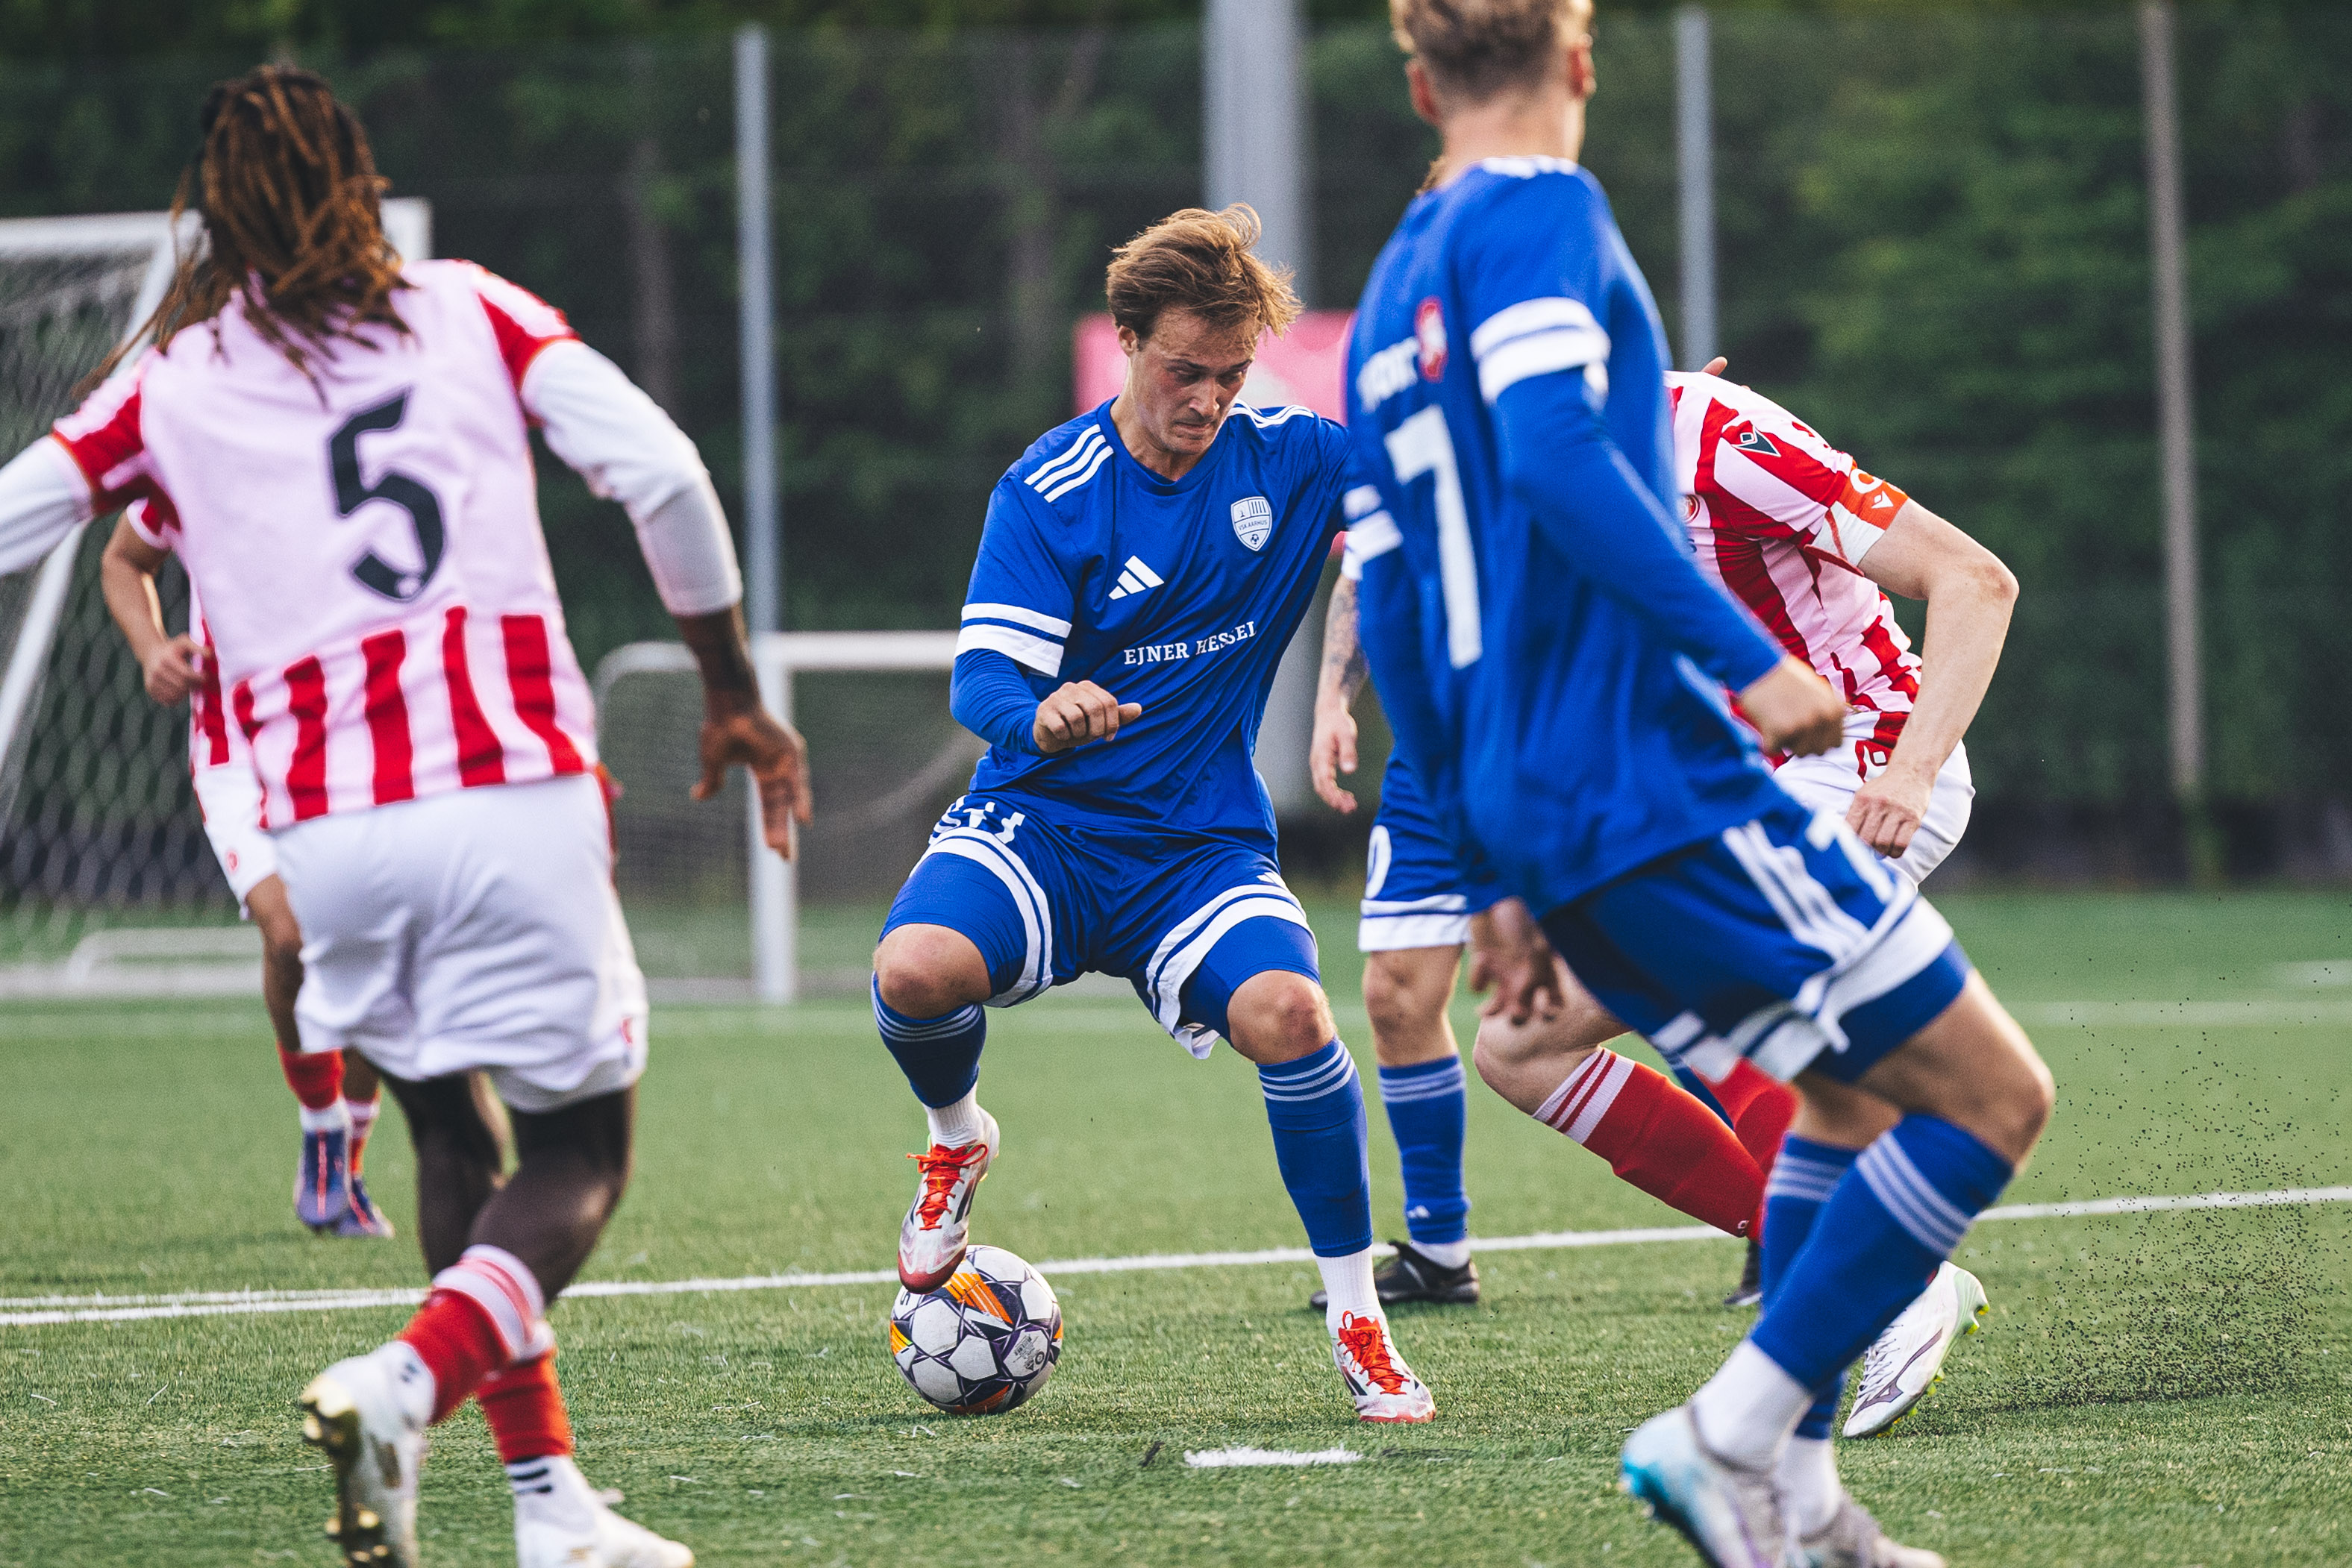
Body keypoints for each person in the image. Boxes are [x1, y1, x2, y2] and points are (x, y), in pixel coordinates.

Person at [0, 66, 810, 1568]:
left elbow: (20, 512)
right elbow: (664, 473)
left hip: (328, 836)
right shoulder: (468, 310)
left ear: (213, 219)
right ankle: (408, 1381)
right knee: (578, 1155)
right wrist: (730, 690)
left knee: (446, 1126)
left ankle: (550, 1507)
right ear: (358, 183)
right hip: (509, 790)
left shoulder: (169, 380)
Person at [1346, 5, 2053, 1566]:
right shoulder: (1545, 209)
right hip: (1661, 777)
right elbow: (1555, 450)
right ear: (1581, 62)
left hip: (1537, 798)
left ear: (1416, 85)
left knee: (1833, 1095)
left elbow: (1393, 601)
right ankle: (1731, 1431)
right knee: (1991, 1099)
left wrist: (1480, 860)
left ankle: (1792, 1494)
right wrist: (1745, 658)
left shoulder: (1394, 293)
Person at [1316, 367, 2020, 1440]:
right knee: (1518, 1045)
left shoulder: (1722, 439)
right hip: (1717, 800)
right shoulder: (1512, 486)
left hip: (1854, 764)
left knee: (1701, 974)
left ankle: (1892, 1283)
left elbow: (1975, 579)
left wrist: (1914, 768)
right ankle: (1834, 1266)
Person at [870, 204, 1433, 1424]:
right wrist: (1041, 715)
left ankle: (1359, 1318)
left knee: (1293, 1013)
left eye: (1232, 373)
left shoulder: (1293, 458)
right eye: (1186, 370)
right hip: (1047, 826)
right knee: (913, 971)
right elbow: (981, 680)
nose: (1210, 399)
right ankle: (957, 1134)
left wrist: (1638, 414)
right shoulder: (1051, 489)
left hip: (1196, 847)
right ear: (1128, 340)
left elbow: (1452, 468)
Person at [101, 515, 395, 1238]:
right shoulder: (187, 461)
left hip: (353, 737)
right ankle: (321, 1122)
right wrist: (152, 648)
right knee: (289, 934)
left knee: (376, 947)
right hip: (237, 750)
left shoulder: (354, 459)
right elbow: (123, 560)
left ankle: (347, 1161)